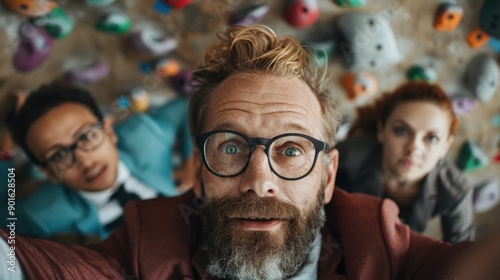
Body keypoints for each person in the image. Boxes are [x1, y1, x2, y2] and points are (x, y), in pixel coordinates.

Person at [0, 25, 489, 280]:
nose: (260, 179)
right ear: (198, 172)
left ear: (329, 176)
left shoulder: (381, 244)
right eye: (230, 146)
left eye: (293, 149)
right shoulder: (144, 242)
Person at [0, 83, 194, 241]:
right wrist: (5, 156)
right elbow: (4, 218)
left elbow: (184, 108)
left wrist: (192, 160)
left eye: (85, 136)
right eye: (58, 155)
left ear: (109, 131)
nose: (85, 162)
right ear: (49, 173)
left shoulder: (144, 135)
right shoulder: (44, 213)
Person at [335, 82, 473, 243]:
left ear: (445, 146)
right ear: (381, 130)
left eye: (431, 138)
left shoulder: (455, 191)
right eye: (401, 131)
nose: (413, 148)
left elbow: (463, 253)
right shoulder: (349, 154)